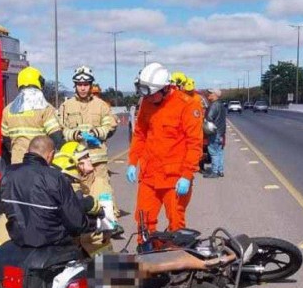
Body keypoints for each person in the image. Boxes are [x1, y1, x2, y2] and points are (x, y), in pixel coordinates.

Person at [126, 62, 203, 240]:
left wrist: (187, 175)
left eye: (152, 95)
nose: (149, 99)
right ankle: (146, 258)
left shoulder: (188, 105)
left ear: (166, 88)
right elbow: (140, 135)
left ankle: (175, 263)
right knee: (144, 221)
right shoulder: (147, 102)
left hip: (174, 178)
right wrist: (132, 162)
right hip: (149, 176)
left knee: (176, 224)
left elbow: (194, 144)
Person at [0, 136, 91, 248]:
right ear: (51, 155)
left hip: (19, 241)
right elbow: (76, 224)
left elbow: (6, 207)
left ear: (28, 151)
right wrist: (90, 223)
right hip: (52, 243)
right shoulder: (55, 177)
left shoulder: (8, 173)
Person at [59, 65, 118, 212]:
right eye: (79, 85)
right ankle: (82, 225)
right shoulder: (66, 106)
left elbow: (111, 125)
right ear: (75, 86)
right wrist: (73, 135)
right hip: (76, 160)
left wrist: (97, 132)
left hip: (98, 159)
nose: (83, 88)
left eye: (85, 84)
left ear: (91, 85)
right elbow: (60, 129)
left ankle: (108, 222)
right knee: (77, 192)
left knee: (102, 190)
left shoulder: (101, 105)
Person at [1, 66, 64, 164]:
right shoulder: (45, 108)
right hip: (39, 165)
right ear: (40, 83)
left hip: (17, 164)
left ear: (18, 84)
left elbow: (6, 140)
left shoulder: (7, 110)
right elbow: (57, 138)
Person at [204, 88, 226, 178]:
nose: (208, 94)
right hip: (221, 132)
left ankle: (214, 172)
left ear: (214, 95)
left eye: (210, 93)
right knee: (219, 152)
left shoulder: (214, 105)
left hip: (214, 132)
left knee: (213, 152)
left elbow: (209, 117)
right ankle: (220, 171)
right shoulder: (221, 105)